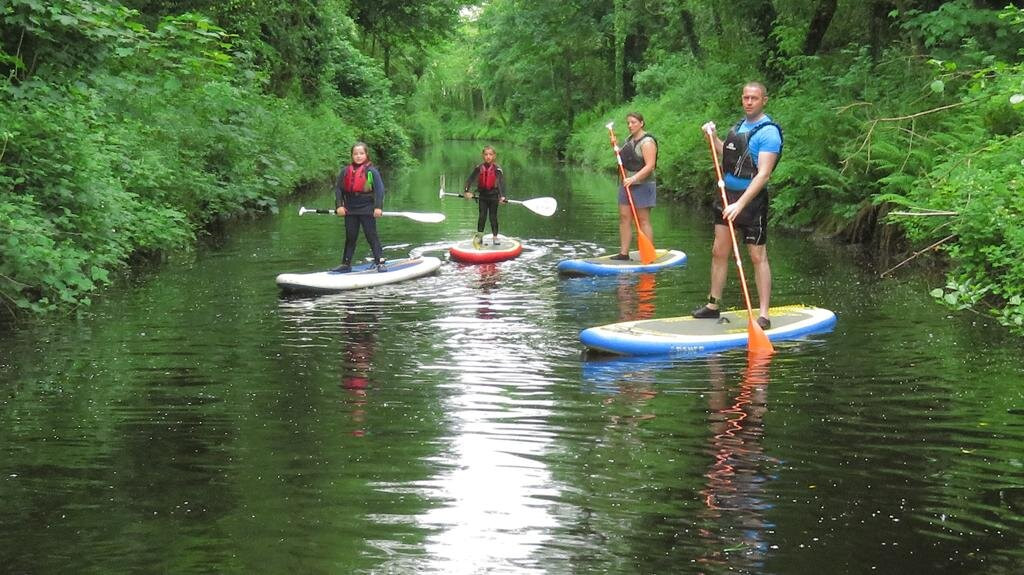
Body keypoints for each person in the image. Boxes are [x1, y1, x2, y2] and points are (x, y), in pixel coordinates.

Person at [692, 82, 783, 329]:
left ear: (764, 100)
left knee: (756, 255)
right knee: (719, 251)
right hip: (726, 196)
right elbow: (729, 155)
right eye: (745, 97)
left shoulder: (769, 133)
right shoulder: (739, 127)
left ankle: (763, 314)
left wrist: (740, 205)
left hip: (751, 202)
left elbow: (763, 175)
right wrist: (712, 138)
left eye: (754, 98)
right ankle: (713, 305)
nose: (749, 102)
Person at [334, 142, 386, 272]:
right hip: (350, 208)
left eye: (361, 153)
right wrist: (339, 206)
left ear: (366, 154)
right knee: (350, 236)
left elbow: (380, 190)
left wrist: (378, 207)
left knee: (371, 235)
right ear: (352, 155)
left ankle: (379, 261)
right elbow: (339, 190)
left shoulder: (371, 171)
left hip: (367, 208)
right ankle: (346, 263)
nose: (358, 156)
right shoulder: (345, 171)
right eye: (355, 154)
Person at [613, 112, 658, 260]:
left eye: (633, 122)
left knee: (643, 219)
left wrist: (634, 178)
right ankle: (624, 253)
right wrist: (615, 148)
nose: (630, 125)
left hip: (643, 184)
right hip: (627, 184)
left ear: (641, 123)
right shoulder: (629, 141)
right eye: (628, 123)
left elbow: (650, 165)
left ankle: (648, 255)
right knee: (624, 218)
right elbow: (624, 160)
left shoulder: (647, 142)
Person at [462, 145, 507, 248]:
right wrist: (466, 191)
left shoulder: (497, 169)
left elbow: (501, 184)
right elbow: (470, 180)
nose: (488, 157)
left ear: (494, 156)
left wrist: (502, 196)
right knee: (482, 216)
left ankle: (495, 237)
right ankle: (479, 237)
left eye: (490, 154)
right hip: (483, 196)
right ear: (483, 155)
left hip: (494, 196)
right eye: (486, 154)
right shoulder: (479, 168)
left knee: (493, 217)